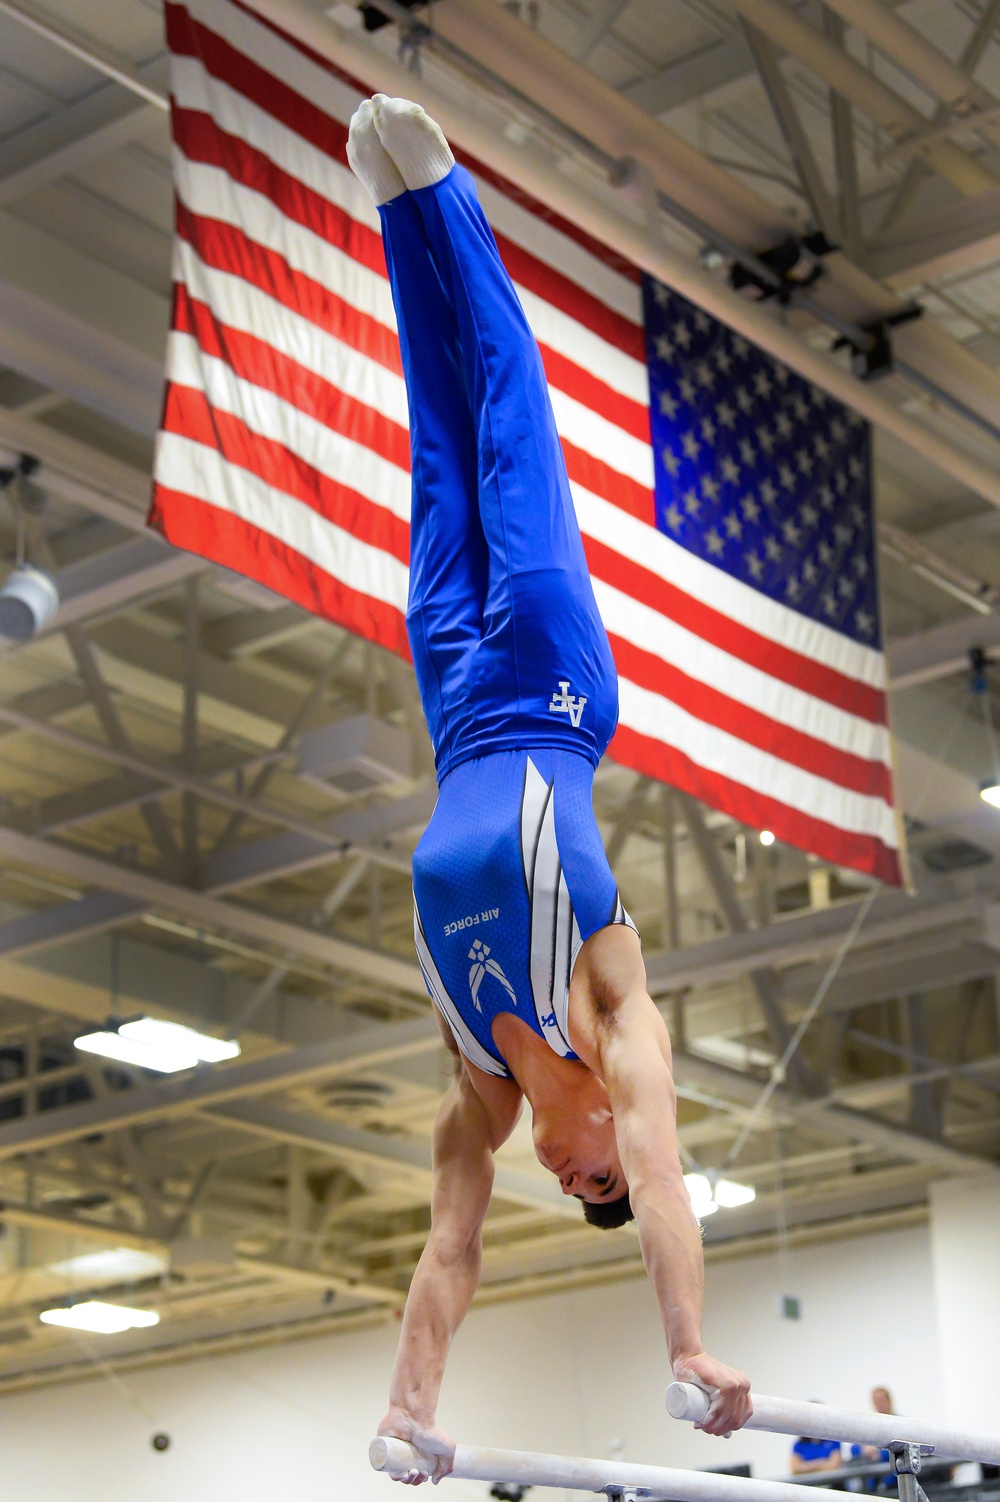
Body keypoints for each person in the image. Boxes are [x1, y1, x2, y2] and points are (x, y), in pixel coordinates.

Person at [345, 93, 752, 1483]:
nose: (588, 1177)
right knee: (509, 416)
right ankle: (443, 187)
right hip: (556, 688)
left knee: (433, 447)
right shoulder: (618, 1017)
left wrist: (410, 1399)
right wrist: (685, 1344)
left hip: (458, 705)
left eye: (580, 1188)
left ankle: (394, 213)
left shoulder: (475, 1093)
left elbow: (449, 1249)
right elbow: (666, 1184)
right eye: (604, 1180)